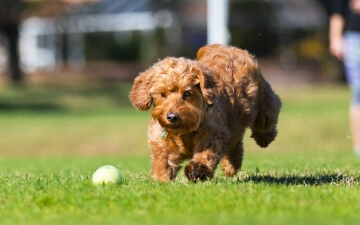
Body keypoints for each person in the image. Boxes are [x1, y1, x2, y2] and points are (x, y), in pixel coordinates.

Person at [329, 0, 360, 155]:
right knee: (358, 93)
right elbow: (338, 12)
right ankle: (358, 144)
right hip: (354, 40)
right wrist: (335, 38)